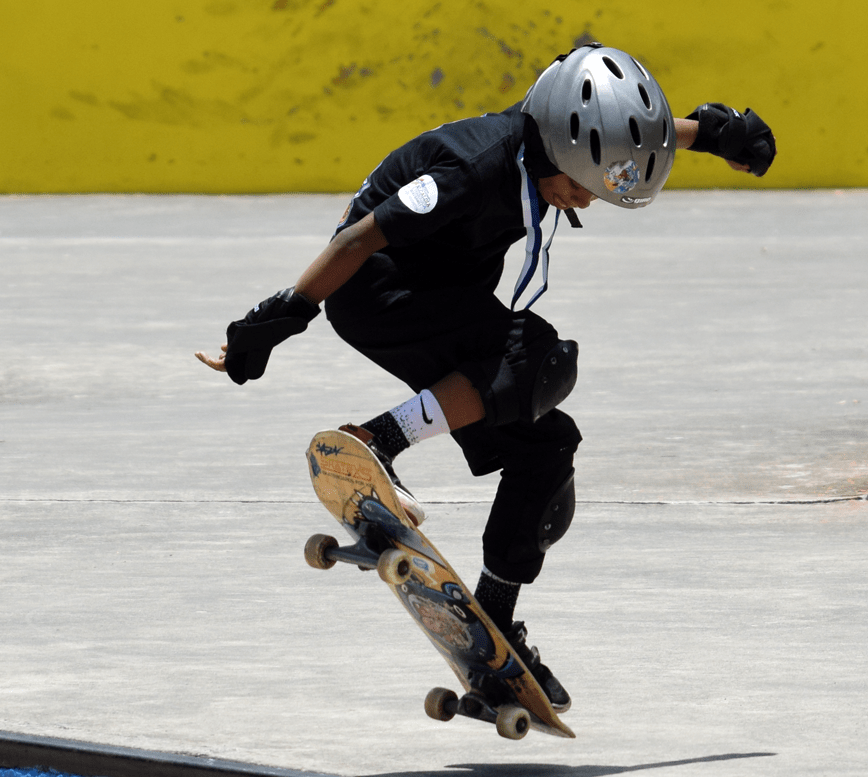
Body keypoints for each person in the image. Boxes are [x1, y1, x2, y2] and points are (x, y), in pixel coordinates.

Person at [197, 43, 775, 712]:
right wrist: (277, 319)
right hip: (383, 293)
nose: (583, 200)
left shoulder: (551, 137)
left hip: (444, 297)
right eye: (580, 185)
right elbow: (357, 239)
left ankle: (496, 619)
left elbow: (627, 135)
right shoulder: (471, 170)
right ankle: (379, 440)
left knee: (546, 444)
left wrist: (714, 133)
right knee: (541, 356)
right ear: (556, 147)